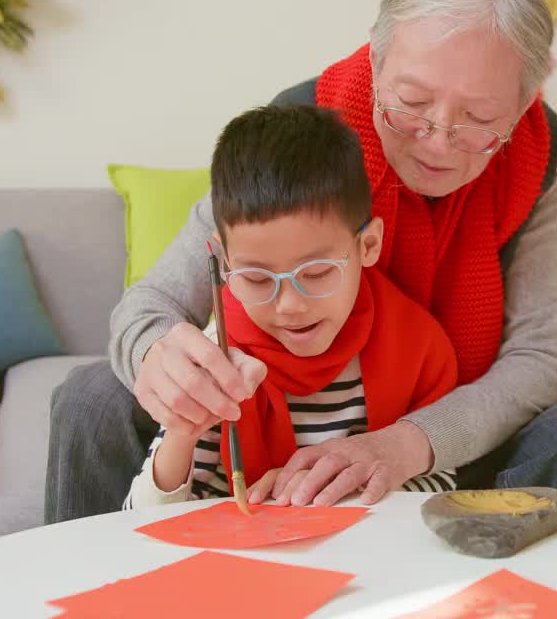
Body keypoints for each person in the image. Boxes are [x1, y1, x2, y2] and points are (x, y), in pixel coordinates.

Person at [46, 0, 557, 522]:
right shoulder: (307, 131)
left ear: (526, 101)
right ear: (377, 62)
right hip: (283, 437)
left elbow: (542, 358)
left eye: (480, 120)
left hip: (447, 442)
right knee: (92, 396)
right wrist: (158, 357)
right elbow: (151, 304)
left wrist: (404, 445)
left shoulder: (541, 152)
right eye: (410, 102)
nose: (437, 140)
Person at [125, 104, 459, 509]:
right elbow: (141, 521)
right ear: (222, 261)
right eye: (257, 279)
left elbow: (441, 489)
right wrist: (182, 432)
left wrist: (327, 491)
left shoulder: (417, 347)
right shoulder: (216, 357)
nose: (289, 306)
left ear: (368, 246)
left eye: (317, 273)